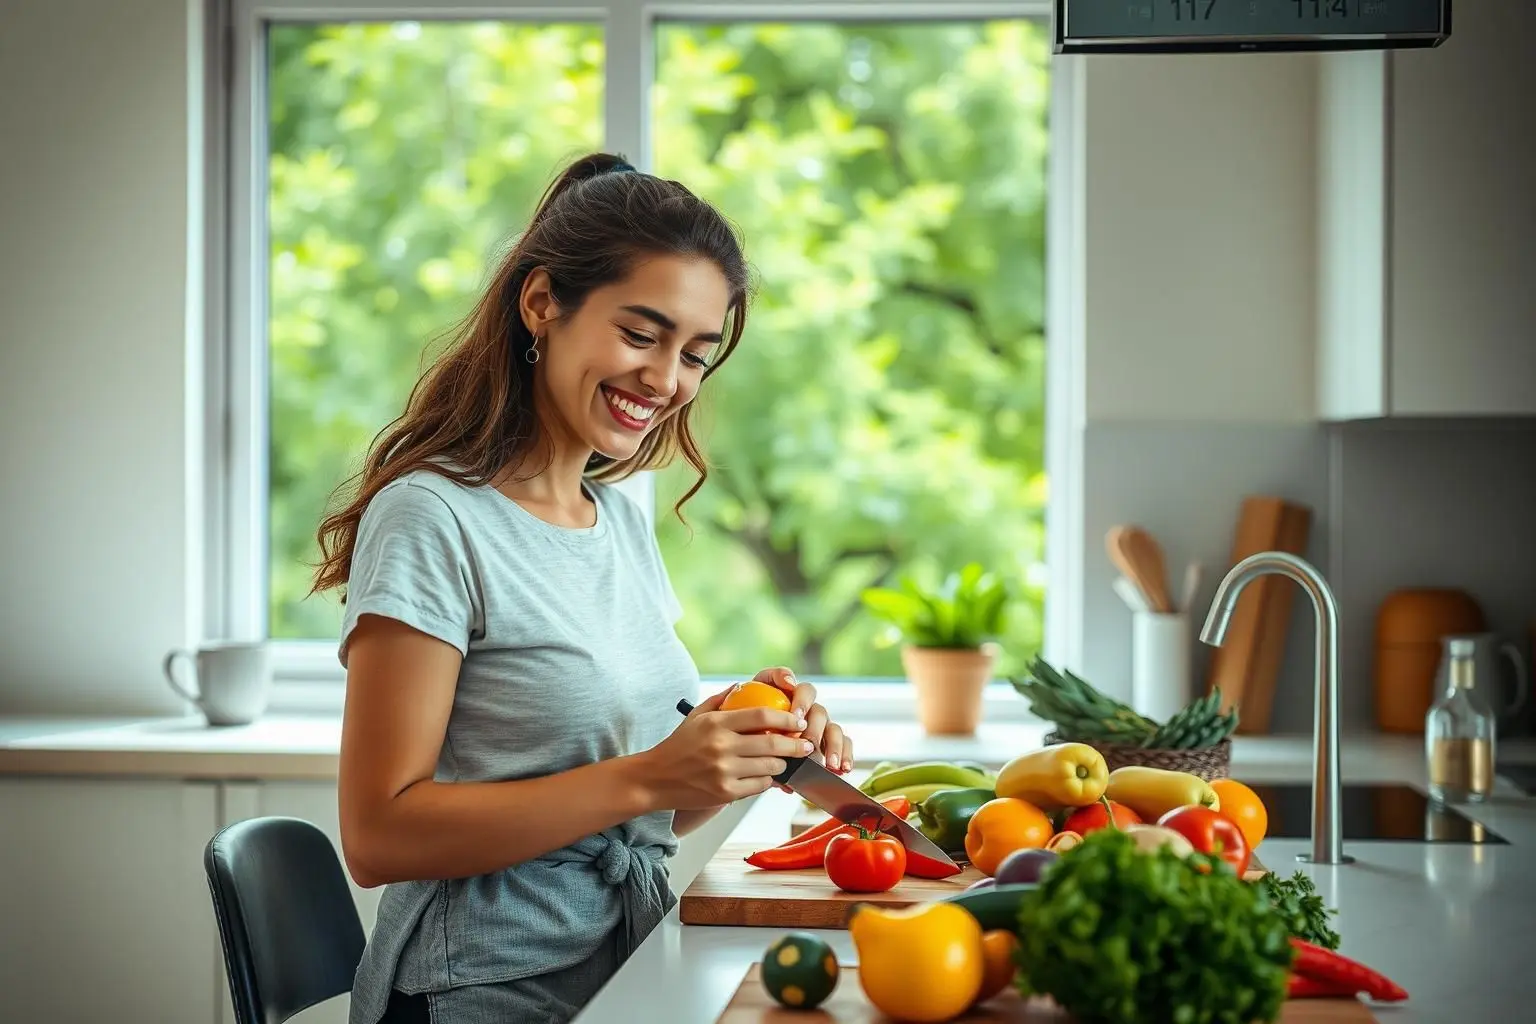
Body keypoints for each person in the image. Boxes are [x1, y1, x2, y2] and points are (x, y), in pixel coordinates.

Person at [307, 152, 855, 1024]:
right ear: (541, 303)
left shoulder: (618, 519)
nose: (667, 380)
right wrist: (649, 776)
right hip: (479, 993)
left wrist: (726, 754)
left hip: (623, 972)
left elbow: (628, 815)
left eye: (695, 354)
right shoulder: (431, 517)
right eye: (641, 334)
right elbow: (378, 837)